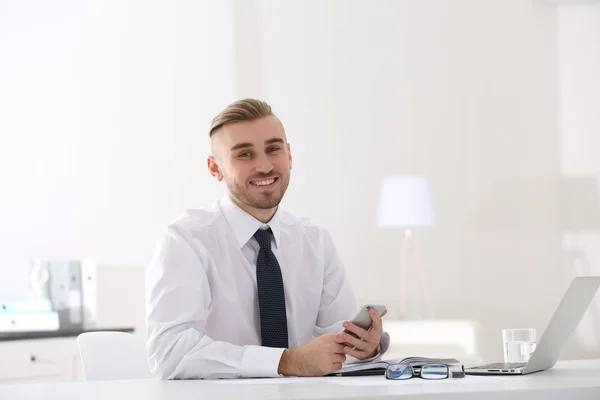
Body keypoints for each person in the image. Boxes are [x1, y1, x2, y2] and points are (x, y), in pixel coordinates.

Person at [145, 98, 389, 379]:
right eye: (245, 154)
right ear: (215, 169)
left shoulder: (316, 240)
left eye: (273, 149)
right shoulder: (185, 241)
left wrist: (363, 348)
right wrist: (287, 361)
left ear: (290, 156)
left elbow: (335, 348)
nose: (264, 166)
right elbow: (169, 352)